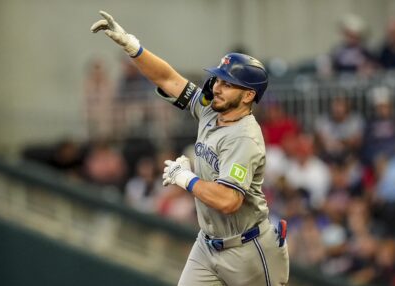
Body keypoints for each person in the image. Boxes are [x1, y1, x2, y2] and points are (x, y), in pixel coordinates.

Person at [91, 11, 289, 286]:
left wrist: (187, 179)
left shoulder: (245, 137)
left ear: (248, 95)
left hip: (248, 251)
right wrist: (133, 48)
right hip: (207, 246)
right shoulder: (210, 110)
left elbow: (229, 201)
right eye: (218, 79)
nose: (218, 87)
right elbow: (169, 80)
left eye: (228, 84)